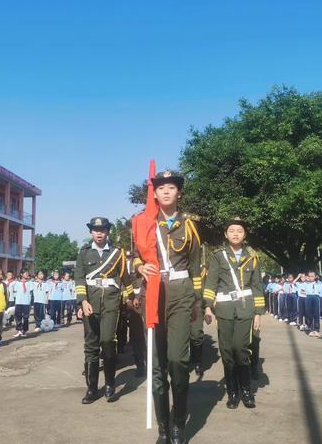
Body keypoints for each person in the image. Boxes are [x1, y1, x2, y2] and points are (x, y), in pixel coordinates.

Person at [134, 171, 202, 444]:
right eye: (160, 188)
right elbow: (131, 259)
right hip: (153, 295)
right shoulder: (143, 223)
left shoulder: (190, 226)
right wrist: (139, 266)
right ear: (154, 193)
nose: (165, 192)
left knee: (177, 359)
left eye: (171, 188)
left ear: (178, 193)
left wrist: (198, 300)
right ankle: (164, 427)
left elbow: (197, 266)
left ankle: (179, 423)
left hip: (181, 295)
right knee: (157, 365)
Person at [203, 218, 264, 410]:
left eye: (239, 230)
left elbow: (256, 286)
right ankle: (233, 392)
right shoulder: (218, 256)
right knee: (227, 353)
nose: (236, 233)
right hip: (224, 309)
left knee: (241, 349)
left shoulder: (253, 256)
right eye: (232, 230)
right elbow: (211, 282)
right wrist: (207, 306)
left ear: (244, 235)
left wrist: (258, 312)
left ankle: (246, 391)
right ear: (225, 234)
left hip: (246, 309)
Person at [75, 217, 136, 404]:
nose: (99, 233)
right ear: (91, 232)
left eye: (103, 230)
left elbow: (125, 277)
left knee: (108, 341)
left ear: (108, 232)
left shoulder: (117, 253)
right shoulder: (84, 253)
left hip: (110, 301)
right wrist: (82, 301)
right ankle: (92, 388)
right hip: (91, 302)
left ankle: (110, 383)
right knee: (91, 345)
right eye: (95, 229)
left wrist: (131, 298)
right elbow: (79, 278)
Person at [13, 269, 33, 337]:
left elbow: (31, 292)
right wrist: (16, 300)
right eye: (25, 273)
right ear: (21, 274)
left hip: (26, 302)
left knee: (26, 317)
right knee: (18, 316)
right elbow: (15, 292)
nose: (27, 274)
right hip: (18, 302)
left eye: (27, 273)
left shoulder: (29, 283)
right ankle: (19, 330)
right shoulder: (17, 282)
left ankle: (25, 330)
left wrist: (29, 301)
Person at [305, 271, 321, 337]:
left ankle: (316, 330)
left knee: (316, 313)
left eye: (312, 276)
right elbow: (303, 291)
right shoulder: (305, 283)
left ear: (315, 277)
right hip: (308, 297)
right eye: (309, 276)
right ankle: (311, 329)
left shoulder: (319, 283)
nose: (311, 278)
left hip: (316, 297)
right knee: (309, 313)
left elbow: (320, 291)